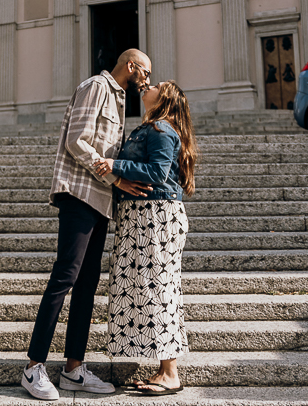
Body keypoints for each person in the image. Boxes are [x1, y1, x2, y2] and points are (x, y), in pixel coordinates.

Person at [22, 48, 154, 401]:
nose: (147, 80)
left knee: (87, 283)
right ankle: (34, 367)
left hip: (100, 199)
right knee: (65, 275)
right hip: (79, 194)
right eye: (145, 73)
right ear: (131, 66)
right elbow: (76, 139)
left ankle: (73, 369)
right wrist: (114, 176)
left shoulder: (121, 98)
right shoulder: (97, 86)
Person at [93, 80, 197, 397]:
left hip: (156, 216)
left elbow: (157, 171)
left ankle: (170, 373)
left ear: (164, 98)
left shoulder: (162, 130)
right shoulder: (150, 128)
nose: (147, 85)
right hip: (141, 217)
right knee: (151, 287)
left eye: (157, 84)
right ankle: (165, 369)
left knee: (159, 287)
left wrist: (116, 165)